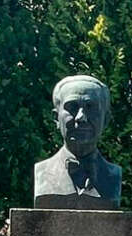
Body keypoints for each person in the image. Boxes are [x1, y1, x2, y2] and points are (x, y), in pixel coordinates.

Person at [34, 74, 121, 209]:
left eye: (90, 107)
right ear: (56, 118)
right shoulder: (42, 174)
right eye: (72, 107)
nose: (81, 117)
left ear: (106, 120)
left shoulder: (113, 176)